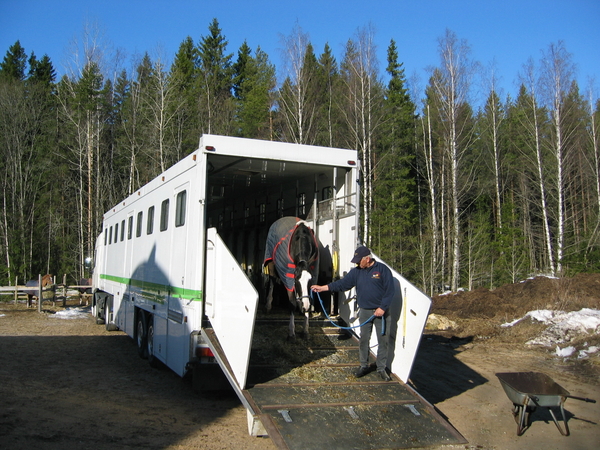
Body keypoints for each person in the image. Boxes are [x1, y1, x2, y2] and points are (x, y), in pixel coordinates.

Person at [311, 245, 395, 381]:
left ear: (367, 259)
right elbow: (342, 284)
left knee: (383, 341)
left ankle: (381, 368)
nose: (356, 263)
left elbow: (390, 290)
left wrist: (383, 308)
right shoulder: (357, 272)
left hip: (381, 313)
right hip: (365, 312)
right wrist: (322, 288)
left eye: (358, 260)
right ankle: (363, 365)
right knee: (363, 340)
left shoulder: (382, 270)